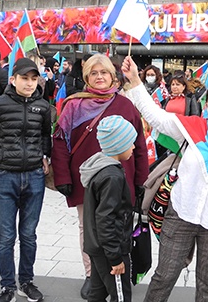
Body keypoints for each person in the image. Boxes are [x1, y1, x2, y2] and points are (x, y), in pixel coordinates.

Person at [122, 55, 208, 302]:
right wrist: (135, 80)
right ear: (206, 105)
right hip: (181, 214)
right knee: (165, 275)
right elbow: (156, 116)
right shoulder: (192, 128)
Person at [51, 54, 148, 300]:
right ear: (86, 77)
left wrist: (140, 181)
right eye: (94, 73)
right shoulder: (73, 105)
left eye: (104, 72)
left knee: (118, 225)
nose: (99, 77)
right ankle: (92, 274)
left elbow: (139, 145)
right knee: (89, 229)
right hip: (84, 180)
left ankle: (115, 268)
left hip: (120, 179)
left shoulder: (126, 105)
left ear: (113, 76)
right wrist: (62, 176)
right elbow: (60, 142)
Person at [0, 58, 51, 302]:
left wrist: (45, 156)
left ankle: (26, 282)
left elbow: (46, 134)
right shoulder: (1, 104)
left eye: (33, 78)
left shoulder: (43, 106)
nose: (29, 83)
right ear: (13, 79)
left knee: (29, 234)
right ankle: (7, 286)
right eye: (24, 78)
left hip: (35, 178)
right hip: (5, 177)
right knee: (6, 237)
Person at [80, 115, 137, 302]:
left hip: (96, 246)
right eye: (130, 143)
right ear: (118, 145)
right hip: (110, 249)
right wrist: (115, 257)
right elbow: (106, 218)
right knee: (121, 295)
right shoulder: (112, 176)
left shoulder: (99, 168)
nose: (134, 147)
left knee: (96, 293)